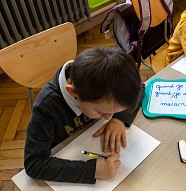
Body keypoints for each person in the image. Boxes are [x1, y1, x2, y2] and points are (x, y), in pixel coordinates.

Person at [24, 46, 144, 184]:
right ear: (74, 92)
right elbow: (34, 164)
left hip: (86, 143)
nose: (108, 117)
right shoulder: (46, 108)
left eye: (113, 112)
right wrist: (91, 171)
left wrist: (119, 119)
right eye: (101, 112)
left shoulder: (98, 82)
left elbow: (140, 88)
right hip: (62, 154)